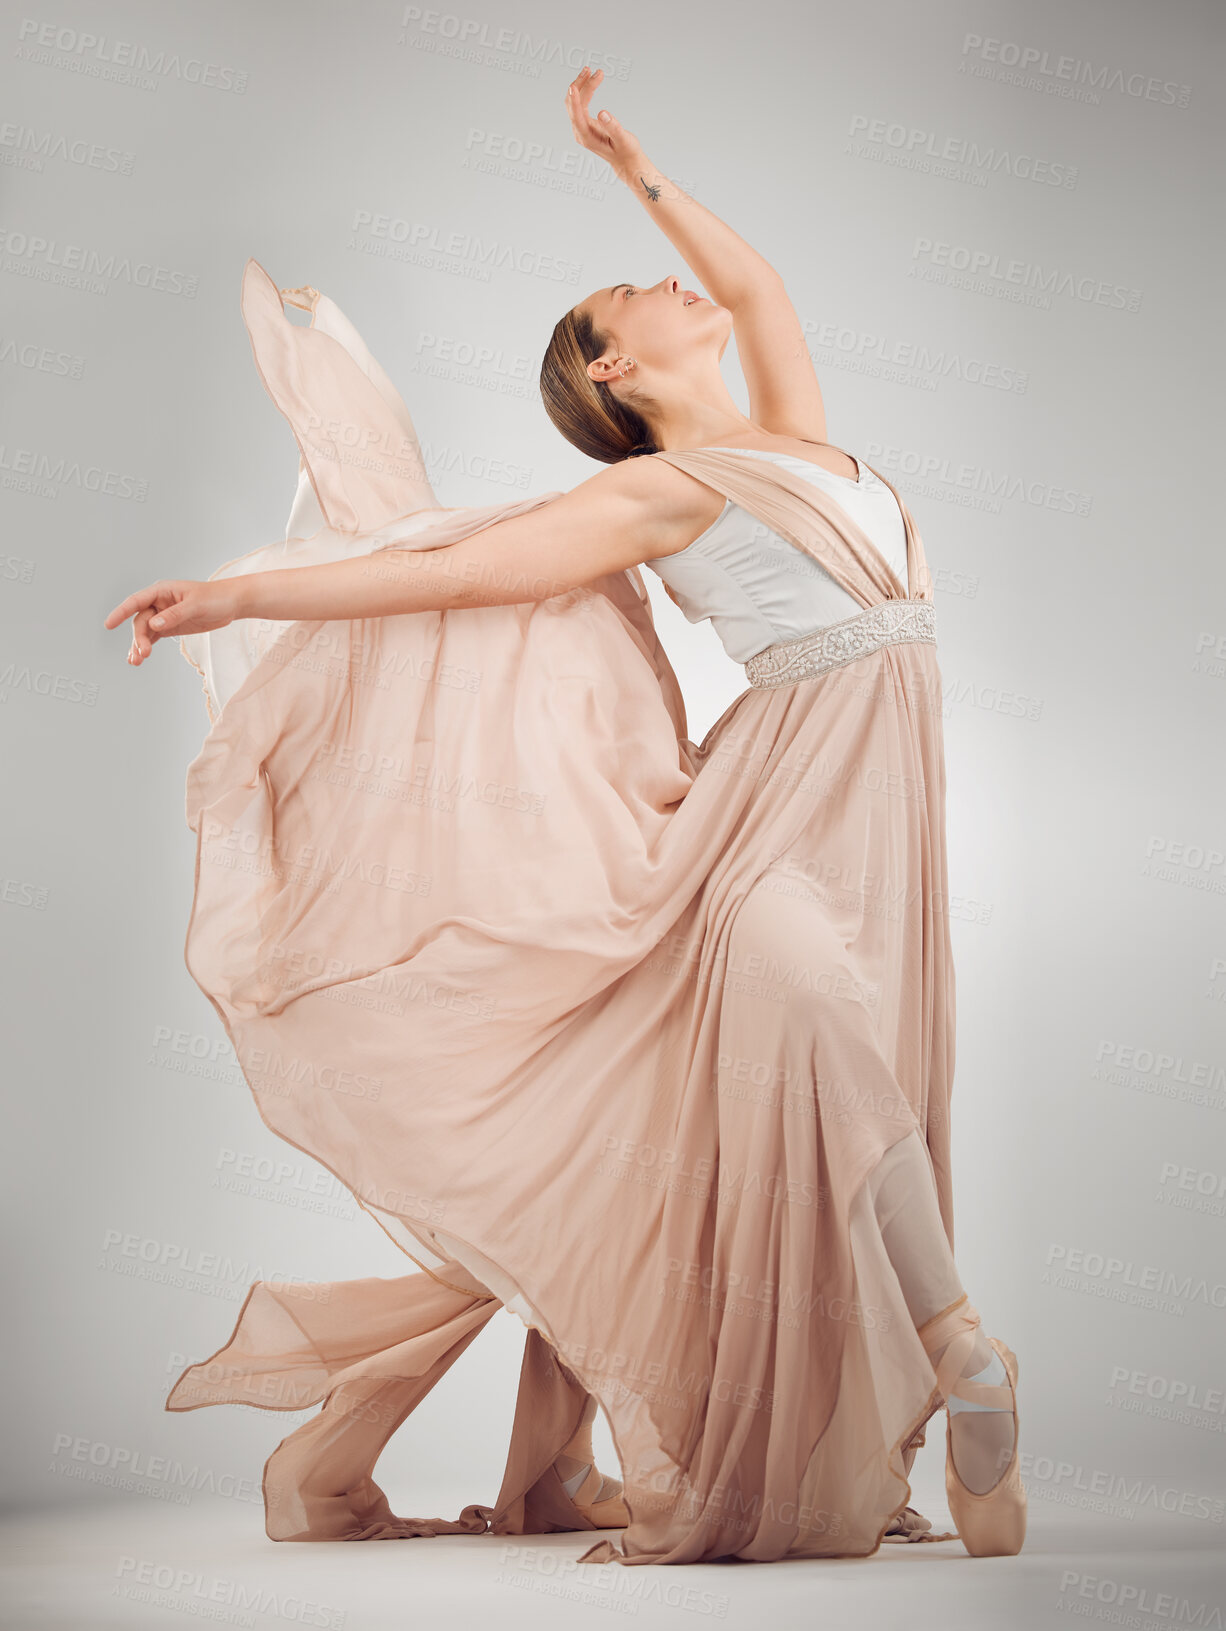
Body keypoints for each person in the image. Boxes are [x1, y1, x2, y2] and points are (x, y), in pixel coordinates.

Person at [103, 67, 1025, 1564]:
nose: (673, 282)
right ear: (612, 372)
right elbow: (446, 577)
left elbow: (760, 281)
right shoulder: (665, 492)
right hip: (770, 810)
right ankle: (962, 1345)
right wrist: (237, 593)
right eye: (629, 290)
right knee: (823, 1018)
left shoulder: (798, 434)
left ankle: (571, 1456)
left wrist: (632, 166)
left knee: (816, 1081)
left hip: (887, 805)